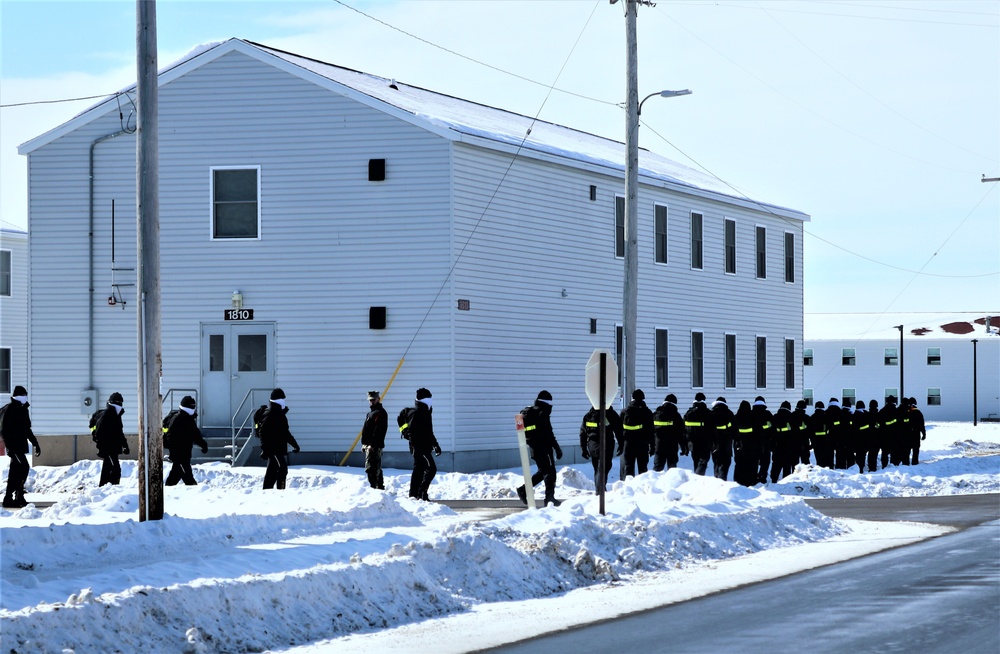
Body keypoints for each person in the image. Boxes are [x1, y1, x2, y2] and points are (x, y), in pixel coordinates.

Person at [516, 390, 563, 506]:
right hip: (544, 446)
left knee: (543, 471)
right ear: (546, 403)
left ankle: (523, 490)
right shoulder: (542, 413)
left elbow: (522, 431)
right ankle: (549, 498)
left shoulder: (528, 412)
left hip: (533, 447)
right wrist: (557, 448)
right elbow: (549, 433)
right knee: (550, 472)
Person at [2, 386, 41, 508]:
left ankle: (10, 497)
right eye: (24, 395)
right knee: (24, 467)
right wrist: (9, 447)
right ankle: (18, 495)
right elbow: (4, 430)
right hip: (14, 447)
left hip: (20, 445)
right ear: (18, 396)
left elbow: (26, 429)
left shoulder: (23, 409)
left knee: (15, 471)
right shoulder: (11, 409)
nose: (25, 397)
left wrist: (35, 443)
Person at [258, 388, 300, 490]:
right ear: (277, 401)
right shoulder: (271, 414)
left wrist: (295, 445)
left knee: (272, 472)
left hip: (278, 449)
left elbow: (285, 433)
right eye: (282, 399)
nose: (284, 401)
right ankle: (280, 492)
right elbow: (262, 432)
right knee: (282, 468)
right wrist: (265, 449)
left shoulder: (280, 415)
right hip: (273, 449)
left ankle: (268, 492)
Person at [164, 395, 209, 486]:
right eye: (193, 406)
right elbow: (170, 436)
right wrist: (173, 452)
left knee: (175, 474)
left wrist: (203, 444)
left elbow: (195, 434)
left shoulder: (184, 418)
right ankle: (193, 489)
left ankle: (168, 489)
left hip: (183, 454)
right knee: (188, 476)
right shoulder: (180, 419)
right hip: (180, 454)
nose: (194, 408)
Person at [405, 388, 441, 501]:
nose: (431, 400)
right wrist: (414, 445)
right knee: (431, 469)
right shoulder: (417, 413)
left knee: (419, 470)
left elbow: (429, 432)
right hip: (419, 448)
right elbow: (412, 432)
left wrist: (435, 445)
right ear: (423, 399)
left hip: (425, 447)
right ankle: (420, 492)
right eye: (429, 398)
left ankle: (415, 495)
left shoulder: (426, 412)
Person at [579, 404, 621, 494]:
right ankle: (600, 491)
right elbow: (619, 430)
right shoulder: (611, 414)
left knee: (598, 467)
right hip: (607, 443)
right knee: (603, 467)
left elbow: (583, 433)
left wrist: (583, 448)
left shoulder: (589, 415)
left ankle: (600, 489)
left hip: (592, 444)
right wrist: (621, 445)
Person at [90, 392, 129, 486]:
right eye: (118, 402)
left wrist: (125, 445)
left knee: (107, 469)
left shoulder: (116, 415)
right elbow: (99, 432)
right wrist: (102, 446)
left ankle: (104, 489)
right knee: (115, 469)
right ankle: (112, 489)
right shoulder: (108, 414)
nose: (120, 404)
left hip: (113, 448)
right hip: (109, 448)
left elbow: (119, 432)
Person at [619, 389, 653, 480]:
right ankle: (643, 488)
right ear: (643, 398)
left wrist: (621, 443)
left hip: (628, 444)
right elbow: (651, 430)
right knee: (643, 469)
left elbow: (619, 429)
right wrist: (652, 445)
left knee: (629, 467)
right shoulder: (647, 412)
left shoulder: (624, 411)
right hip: (642, 444)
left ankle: (628, 488)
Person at [360, 390, 388, 490]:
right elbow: (366, 430)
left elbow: (380, 431)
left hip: (375, 446)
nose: (371, 402)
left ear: (378, 399)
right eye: (370, 400)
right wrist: (364, 443)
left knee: (371, 468)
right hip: (369, 445)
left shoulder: (380, 413)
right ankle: (379, 487)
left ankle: (374, 487)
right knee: (375, 467)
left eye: (373, 399)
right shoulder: (370, 414)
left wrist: (373, 444)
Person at [651, 394, 686, 471]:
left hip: (659, 444)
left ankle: (655, 482)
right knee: (672, 468)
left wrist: (652, 444)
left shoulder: (656, 414)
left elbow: (651, 430)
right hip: (672, 445)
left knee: (658, 467)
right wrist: (683, 446)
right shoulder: (676, 415)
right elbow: (681, 433)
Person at [683, 393, 714, 476]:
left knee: (696, 462)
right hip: (705, 442)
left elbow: (684, 429)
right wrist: (714, 442)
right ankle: (698, 478)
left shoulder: (688, 413)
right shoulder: (708, 413)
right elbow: (712, 429)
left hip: (692, 442)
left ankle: (696, 479)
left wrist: (685, 444)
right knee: (703, 462)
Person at [770, 400, 796, 482]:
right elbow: (794, 432)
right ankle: (785, 480)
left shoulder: (775, 417)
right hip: (788, 445)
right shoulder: (791, 417)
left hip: (777, 444)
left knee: (776, 463)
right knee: (787, 464)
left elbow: (771, 431)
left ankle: (774, 478)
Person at [732, 400, 757, 486]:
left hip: (738, 445)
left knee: (739, 464)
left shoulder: (735, 418)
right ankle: (750, 481)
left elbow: (733, 432)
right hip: (751, 445)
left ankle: (738, 481)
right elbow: (758, 432)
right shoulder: (753, 418)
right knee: (750, 464)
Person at [710, 397, 735, 481]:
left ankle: (717, 479)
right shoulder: (729, 413)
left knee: (716, 462)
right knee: (725, 463)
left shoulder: (711, 414)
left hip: (714, 443)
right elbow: (735, 429)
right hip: (726, 443)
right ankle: (722, 481)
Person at [750, 397, 774, 484]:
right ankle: (762, 476)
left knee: (754, 461)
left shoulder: (751, 414)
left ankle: (753, 478)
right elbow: (772, 427)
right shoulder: (767, 414)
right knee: (765, 461)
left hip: (753, 442)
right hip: (766, 442)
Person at [810, 401, 833, 469]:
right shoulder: (827, 416)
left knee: (819, 460)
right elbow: (831, 428)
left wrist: (812, 443)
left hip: (816, 443)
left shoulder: (812, 417)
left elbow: (810, 432)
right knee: (828, 460)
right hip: (826, 441)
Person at [879, 396, 902, 467]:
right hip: (894, 436)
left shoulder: (882, 411)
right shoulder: (896, 411)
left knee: (884, 452)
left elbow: (879, 424)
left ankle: (884, 465)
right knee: (894, 452)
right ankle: (894, 465)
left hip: (884, 436)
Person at [903, 397, 927, 465]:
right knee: (915, 450)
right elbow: (922, 425)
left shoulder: (906, 413)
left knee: (907, 451)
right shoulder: (918, 413)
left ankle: (906, 464)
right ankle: (914, 463)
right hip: (915, 434)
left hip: (908, 435)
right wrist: (923, 434)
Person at [793, 399, 812, 465]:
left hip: (794, 443)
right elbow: (810, 432)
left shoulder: (791, 416)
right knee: (806, 462)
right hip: (804, 443)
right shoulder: (807, 418)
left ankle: (795, 474)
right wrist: (811, 444)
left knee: (795, 463)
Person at [865, 399, 882, 472]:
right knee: (874, 454)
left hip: (868, 438)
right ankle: (873, 468)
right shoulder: (878, 415)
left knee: (870, 454)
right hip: (877, 438)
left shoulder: (866, 415)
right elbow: (879, 427)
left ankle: (870, 467)